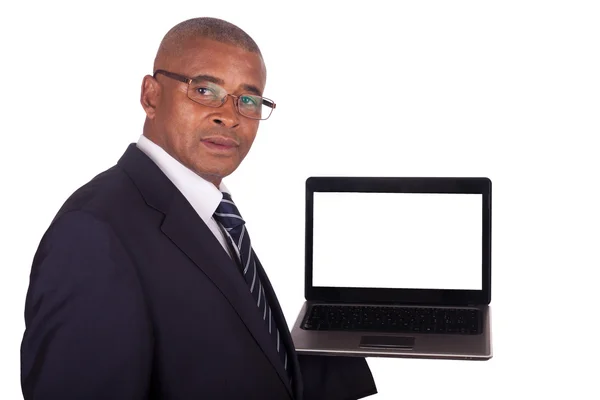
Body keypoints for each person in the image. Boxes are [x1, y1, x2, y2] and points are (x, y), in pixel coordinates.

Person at [20, 17, 377, 399]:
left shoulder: (212, 213)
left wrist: (349, 337)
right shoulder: (93, 234)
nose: (230, 116)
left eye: (249, 100)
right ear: (151, 95)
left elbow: (230, 357)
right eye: (205, 90)